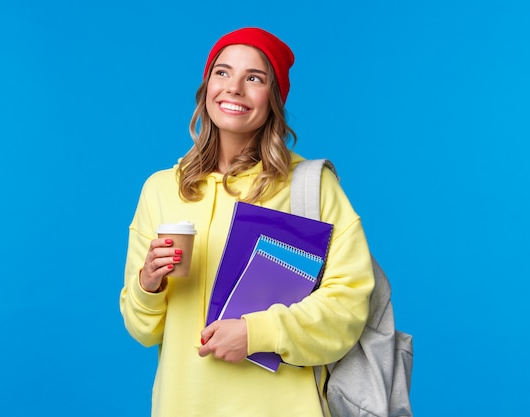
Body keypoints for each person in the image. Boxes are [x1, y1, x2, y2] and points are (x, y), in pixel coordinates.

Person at [119, 27, 375, 417]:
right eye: (222, 73)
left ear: (273, 98)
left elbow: (348, 308)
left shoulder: (310, 186)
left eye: (254, 78)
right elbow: (143, 330)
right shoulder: (160, 190)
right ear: (206, 89)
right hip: (183, 405)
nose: (234, 88)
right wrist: (147, 285)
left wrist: (256, 334)